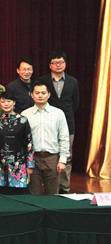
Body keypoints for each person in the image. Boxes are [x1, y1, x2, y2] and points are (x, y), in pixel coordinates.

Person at [38, 50, 79, 194]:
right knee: (50, 156)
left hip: (68, 123)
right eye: (55, 63)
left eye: (61, 62)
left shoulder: (73, 81)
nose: (58, 65)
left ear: (65, 64)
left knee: (66, 157)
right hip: (46, 124)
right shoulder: (43, 81)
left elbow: (75, 103)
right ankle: (50, 187)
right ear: (50, 65)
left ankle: (64, 188)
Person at [21, 83, 69, 195]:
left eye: (43, 93)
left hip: (52, 158)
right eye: (37, 93)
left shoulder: (58, 113)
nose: (40, 96)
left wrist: (62, 160)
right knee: (33, 195)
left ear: (49, 94)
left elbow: (64, 137)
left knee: (52, 195)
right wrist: (25, 162)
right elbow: (22, 141)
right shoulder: (25, 114)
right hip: (33, 159)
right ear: (32, 95)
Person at [0, 91, 34, 195]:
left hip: (18, 165)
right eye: (3, 101)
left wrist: (29, 165)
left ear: (14, 102)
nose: (6, 104)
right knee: (0, 195)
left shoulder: (22, 120)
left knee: (18, 195)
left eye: (9, 101)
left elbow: (29, 143)